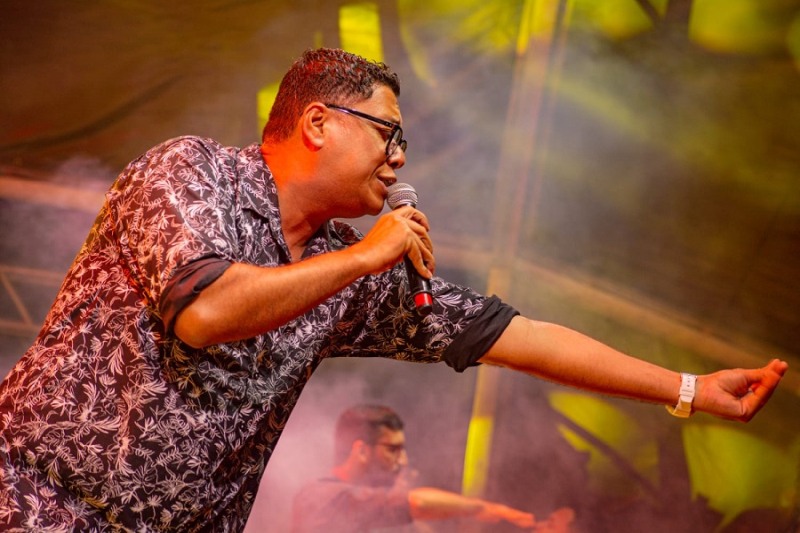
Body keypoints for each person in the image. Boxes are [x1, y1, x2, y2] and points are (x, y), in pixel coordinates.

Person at [0, 47, 788, 532]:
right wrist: (366, 258)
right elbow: (206, 313)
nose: (401, 159)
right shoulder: (191, 171)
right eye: (389, 134)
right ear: (318, 123)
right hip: (38, 506)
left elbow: (510, 334)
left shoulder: (349, 262)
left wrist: (688, 388)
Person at [290, 404, 575, 532]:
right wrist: (486, 508)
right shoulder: (321, 497)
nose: (403, 460)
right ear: (361, 450)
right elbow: (417, 503)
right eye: (393, 450)